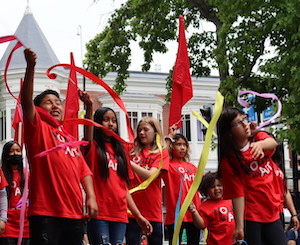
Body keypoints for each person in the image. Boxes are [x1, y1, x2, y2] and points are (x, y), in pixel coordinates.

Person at [21, 48, 98, 245]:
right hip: (46, 212)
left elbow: (84, 171)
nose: (55, 106)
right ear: (39, 109)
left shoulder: (70, 138)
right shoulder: (37, 128)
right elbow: (26, 103)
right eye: (48, 103)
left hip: (74, 214)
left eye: (58, 102)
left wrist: (91, 197)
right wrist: (30, 68)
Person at [80, 94, 152, 245]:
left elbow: (123, 189)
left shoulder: (121, 153)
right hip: (99, 214)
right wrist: (89, 108)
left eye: (113, 121)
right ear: (98, 123)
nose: (111, 124)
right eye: (106, 120)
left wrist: (138, 216)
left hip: (120, 215)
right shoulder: (92, 147)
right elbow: (88, 134)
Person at [217, 106, 286, 245]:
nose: (244, 124)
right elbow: (238, 194)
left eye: (244, 119)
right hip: (252, 217)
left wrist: (260, 145)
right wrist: (240, 226)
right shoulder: (230, 161)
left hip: (273, 213)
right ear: (229, 132)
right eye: (238, 123)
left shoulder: (258, 138)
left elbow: (273, 142)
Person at [126, 117, 170, 245]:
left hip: (152, 211)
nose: (141, 133)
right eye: (139, 130)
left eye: (145, 129)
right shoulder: (132, 151)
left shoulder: (161, 153)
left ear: (155, 132)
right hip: (132, 211)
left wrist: (130, 164)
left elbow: (150, 175)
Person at [163, 127, 201, 245]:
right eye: (178, 144)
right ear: (172, 147)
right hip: (175, 213)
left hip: (194, 212)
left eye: (185, 144)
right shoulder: (167, 166)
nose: (182, 147)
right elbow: (160, 156)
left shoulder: (193, 167)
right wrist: (169, 137)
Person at [188, 172, 235, 245]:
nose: (216, 188)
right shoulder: (204, 207)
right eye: (212, 187)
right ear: (206, 190)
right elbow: (201, 225)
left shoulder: (232, 200)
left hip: (235, 242)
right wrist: (194, 212)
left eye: (219, 185)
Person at [0, 141, 29, 245]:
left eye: (18, 151)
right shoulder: (1, 172)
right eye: (11, 151)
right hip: (7, 224)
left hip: (25, 225)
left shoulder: (27, 174)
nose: (15, 154)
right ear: (6, 154)